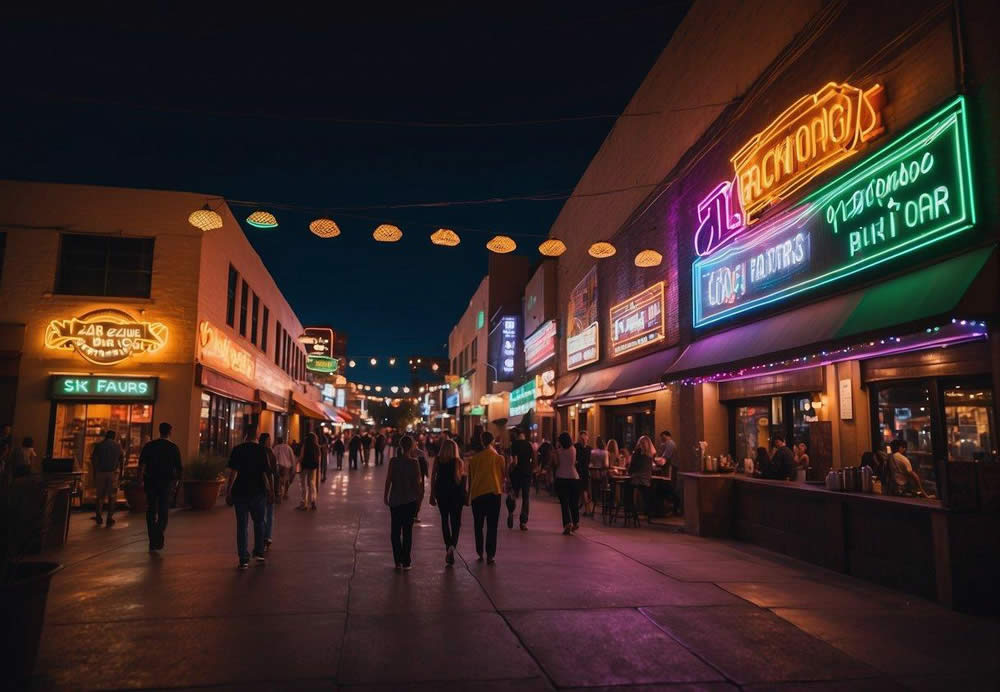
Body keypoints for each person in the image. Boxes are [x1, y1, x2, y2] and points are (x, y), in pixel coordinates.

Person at [226, 432, 272, 569]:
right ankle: (259, 552)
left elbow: (233, 473)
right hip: (258, 491)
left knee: (242, 525)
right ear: (256, 437)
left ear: (245, 436)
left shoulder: (237, 449)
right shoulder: (262, 450)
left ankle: (243, 559)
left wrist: (229, 491)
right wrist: (270, 490)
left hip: (240, 492)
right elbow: (265, 473)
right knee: (259, 523)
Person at [137, 423, 183, 551]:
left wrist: (139, 480)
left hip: (150, 482)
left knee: (151, 510)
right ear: (170, 432)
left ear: (159, 431)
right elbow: (179, 469)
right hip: (166, 483)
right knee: (163, 511)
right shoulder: (173, 448)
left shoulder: (149, 446)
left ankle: (153, 538)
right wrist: (177, 485)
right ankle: (158, 533)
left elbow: (141, 465)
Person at [384, 435, 424, 571]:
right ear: (412, 447)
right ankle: (406, 561)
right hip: (410, 501)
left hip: (395, 500)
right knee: (407, 532)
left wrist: (385, 495)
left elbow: (389, 480)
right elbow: (417, 485)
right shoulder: (414, 463)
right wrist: (419, 501)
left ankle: (398, 561)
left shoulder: (393, 461)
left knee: (395, 532)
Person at [466, 431, 504, 563]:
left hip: (477, 495)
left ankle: (480, 551)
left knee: (478, 525)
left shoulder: (474, 459)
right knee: (492, 526)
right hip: (494, 493)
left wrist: (468, 495)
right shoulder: (498, 458)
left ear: (482, 441)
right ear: (492, 441)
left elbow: (470, 479)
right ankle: (490, 554)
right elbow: (503, 476)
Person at [430, 437, 467, 565]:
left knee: (445, 520)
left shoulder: (438, 460)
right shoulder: (459, 462)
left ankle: (448, 546)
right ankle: (452, 546)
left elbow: (433, 477)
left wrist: (431, 494)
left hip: (441, 493)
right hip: (456, 495)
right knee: (456, 522)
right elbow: (462, 481)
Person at [91, 430, 125, 526]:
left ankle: (98, 516)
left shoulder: (99, 445)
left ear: (106, 436)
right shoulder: (118, 446)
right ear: (114, 437)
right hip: (112, 474)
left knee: (100, 497)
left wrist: (95, 472)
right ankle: (109, 517)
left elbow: (94, 459)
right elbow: (122, 460)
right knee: (112, 496)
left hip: (100, 473)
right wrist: (121, 473)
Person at [506, 428, 535, 530]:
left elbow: (515, 461)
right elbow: (532, 460)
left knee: (513, 493)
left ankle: (510, 511)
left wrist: (509, 471)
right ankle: (523, 522)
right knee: (525, 497)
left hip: (516, 473)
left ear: (517, 435)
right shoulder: (529, 445)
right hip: (527, 473)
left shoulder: (514, 444)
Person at [554, 432, 580, 534]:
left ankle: (567, 523)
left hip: (561, 477)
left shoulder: (558, 451)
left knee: (564, 503)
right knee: (574, 502)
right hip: (574, 477)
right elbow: (573, 463)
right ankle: (576, 522)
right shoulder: (574, 449)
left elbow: (557, 463)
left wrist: (557, 449)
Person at [259, 433, 279, 550]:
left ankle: (265, 536)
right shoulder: (269, 453)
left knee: (263, 514)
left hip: (261, 487)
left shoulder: (258, 453)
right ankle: (267, 536)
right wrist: (275, 490)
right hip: (267, 486)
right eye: (269, 439)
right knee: (269, 513)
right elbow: (273, 472)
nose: (270, 441)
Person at [627, 436, 655, 521]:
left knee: (626, 486)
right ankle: (648, 512)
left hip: (637, 479)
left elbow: (632, 467)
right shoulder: (650, 455)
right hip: (647, 480)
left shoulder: (637, 453)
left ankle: (630, 509)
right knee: (646, 492)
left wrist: (629, 471)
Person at [297, 433, 321, 510]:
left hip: (304, 467)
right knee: (311, 483)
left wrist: (296, 463)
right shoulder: (316, 446)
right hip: (313, 467)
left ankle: (304, 503)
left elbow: (301, 456)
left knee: (304, 484)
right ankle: (313, 501)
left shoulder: (305, 445)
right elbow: (319, 457)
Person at [587, 436, 609, 518]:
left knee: (595, 490)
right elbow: (606, 465)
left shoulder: (592, 452)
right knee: (605, 490)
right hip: (602, 475)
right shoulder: (605, 453)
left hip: (594, 474)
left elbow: (591, 462)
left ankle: (593, 507)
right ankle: (605, 508)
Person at [574, 432, 593, 515]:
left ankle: (587, 509)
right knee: (583, 490)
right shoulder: (577, 447)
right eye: (582, 439)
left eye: (585, 439)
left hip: (583, 471)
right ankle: (587, 509)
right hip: (581, 471)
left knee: (584, 490)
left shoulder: (588, 449)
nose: (584, 440)